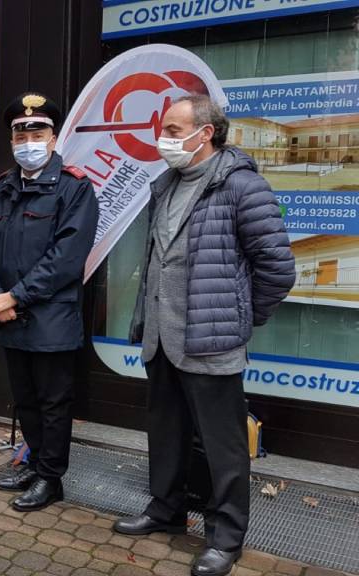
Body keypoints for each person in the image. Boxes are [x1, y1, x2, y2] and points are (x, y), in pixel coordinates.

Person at [114, 94, 295, 576]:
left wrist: (239, 317)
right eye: (164, 128)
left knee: (224, 447)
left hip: (212, 342)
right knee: (167, 434)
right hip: (162, 338)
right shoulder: (166, 184)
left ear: (205, 133)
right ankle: (166, 510)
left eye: (174, 130)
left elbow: (277, 267)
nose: (165, 138)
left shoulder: (242, 186)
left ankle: (225, 538)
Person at [0, 93, 99, 512]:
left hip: (50, 319)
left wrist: (15, 295)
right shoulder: (2, 187)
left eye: (37, 130)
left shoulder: (75, 188)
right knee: (25, 400)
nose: (28, 137)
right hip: (8, 316)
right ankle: (32, 464)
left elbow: (66, 258)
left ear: (53, 136)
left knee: (52, 403)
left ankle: (51, 478)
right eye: (20, 131)